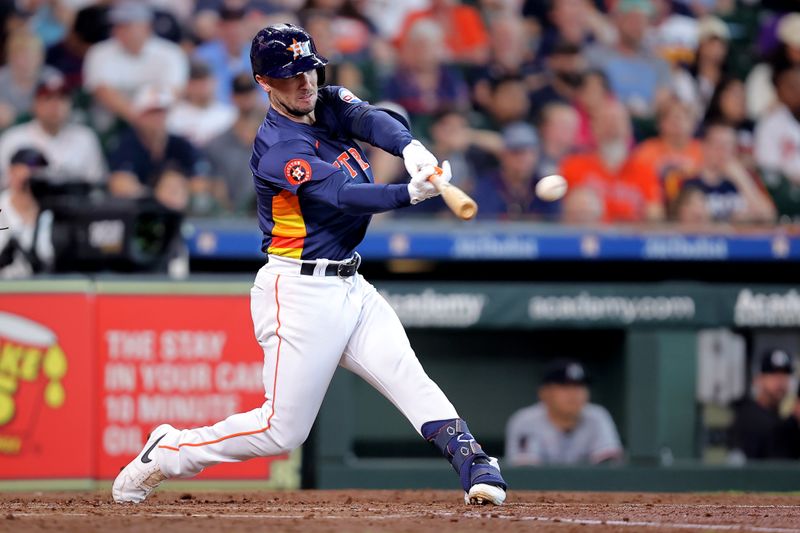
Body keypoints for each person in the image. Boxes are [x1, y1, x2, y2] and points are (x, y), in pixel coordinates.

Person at [112, 23, 507, 507]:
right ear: (264, 82)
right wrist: (408, 192)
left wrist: (411, 149)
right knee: (281, 432)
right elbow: (343, 196)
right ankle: (170, 450)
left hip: (350, 281)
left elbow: (372, 120)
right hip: (298, 291)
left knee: (406, 373)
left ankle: (474, 462)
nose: (305, 83)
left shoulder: (325, 98)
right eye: (290, 76)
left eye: (310, 70)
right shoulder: (277, 149)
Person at [82, 2, 188, 129]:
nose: (117, 30)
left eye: (126, 25)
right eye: (116, 25)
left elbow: (172, 91)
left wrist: (149, 119)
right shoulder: (99, 52)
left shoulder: (170, 53)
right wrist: (139, 118)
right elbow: (103, 91)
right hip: (113, 124)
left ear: (146, 27)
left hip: (159, 121)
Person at [560, 101, 664, 223]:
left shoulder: (644, 169)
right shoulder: (572, 165)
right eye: (606, 121)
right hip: (585, 237)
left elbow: (655, 214)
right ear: (593, 128)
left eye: (618, 121)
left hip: (629, 238)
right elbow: (558, 211)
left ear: (629, 129)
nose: (612, 127)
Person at [505, 359, 623, 466]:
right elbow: (525, 472)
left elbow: (609, 466)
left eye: (580, 386)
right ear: (544, 393)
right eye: (564, 386)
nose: (574, 394)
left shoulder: (597, 416)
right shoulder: (525, 421)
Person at [0, 72, 106, 187]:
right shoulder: (14, 138)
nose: (55, 105)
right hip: (31, 202)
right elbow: (5, 186)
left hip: (75, 202)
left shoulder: (85, 137)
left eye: (61, 98)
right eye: (48, 98)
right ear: (34, 104)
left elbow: (96, 184)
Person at [680, 123, 775, 223]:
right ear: (704, 147)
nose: (723, 151)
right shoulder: (689, 182)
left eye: (728, 145)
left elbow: (769, 215)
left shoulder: (746, 178)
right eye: (717, 145)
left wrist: (742, 180)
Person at [472, 122, 558, 221]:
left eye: (530, 152)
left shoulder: (544, 185)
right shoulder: (485, 186)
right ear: (503, 155)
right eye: (516, 152)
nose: (524, 159)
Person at [728, 349, 795, 460]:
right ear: (758, 379)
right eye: (773, 374)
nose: (780, 380)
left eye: (784, 374)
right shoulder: (748, 416)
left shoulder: (782, 418)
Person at [0, 148, 54, 278]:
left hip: (42, 289)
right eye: (29, 166)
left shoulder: (51, 213)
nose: (34, 172)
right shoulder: (2, 207)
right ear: (12, 171)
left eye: (39, 168)